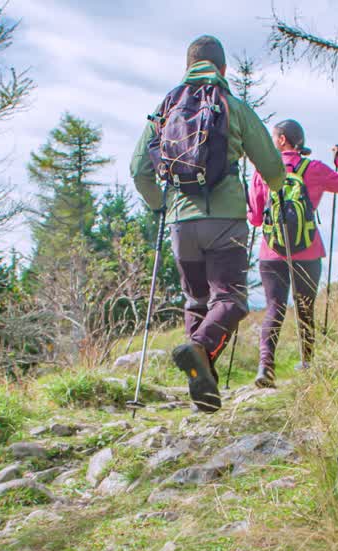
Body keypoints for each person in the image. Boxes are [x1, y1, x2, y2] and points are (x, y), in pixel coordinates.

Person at [131, 35, 285, 412]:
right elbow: (272, 166)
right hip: (225, 220)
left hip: (181, 223)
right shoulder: (233, 106)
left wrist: (161, 206)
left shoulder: (166, 107)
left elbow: (138, 169)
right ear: (223, 69)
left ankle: (206, 395)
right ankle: (198, 349)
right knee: (230, 299)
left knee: (197, 301)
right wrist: (276, 186)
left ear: (187, 67)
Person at [246, 119, 338, 388]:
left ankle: (265, 367)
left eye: (274, 137)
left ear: (282, 139)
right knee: (305, 309)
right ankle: (307, 365)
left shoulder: (264, 171)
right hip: (308, 250)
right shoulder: (314, 168)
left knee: (274, 307)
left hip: (272, 252)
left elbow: (256, 219)